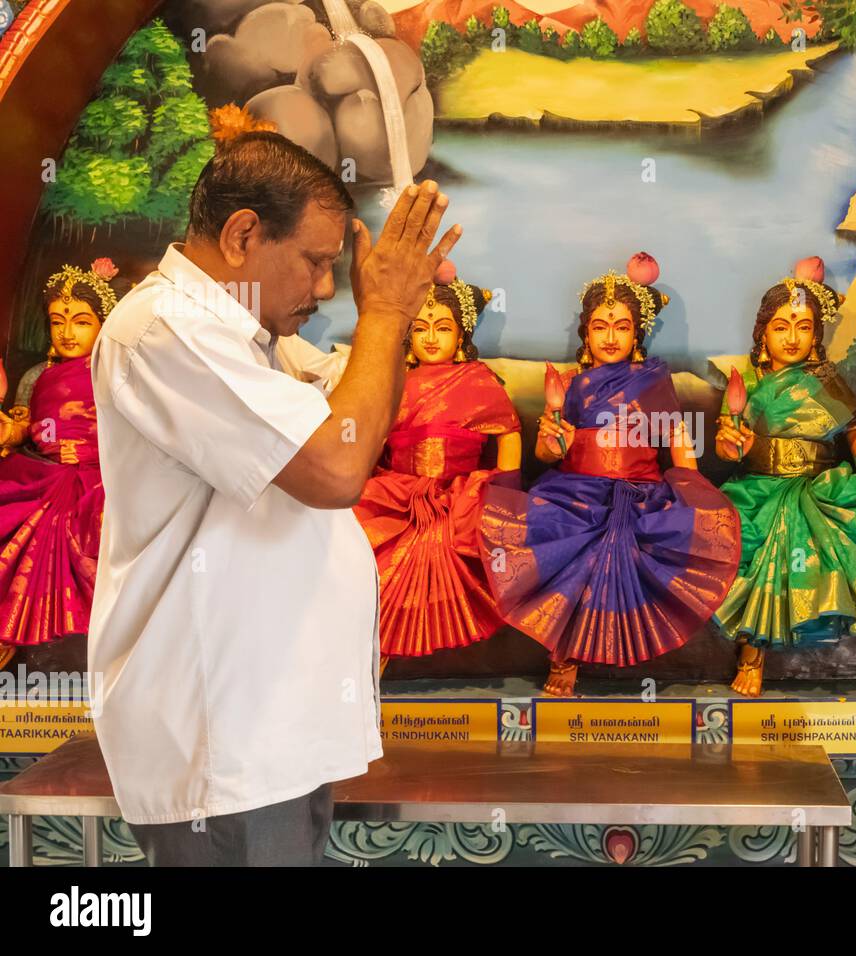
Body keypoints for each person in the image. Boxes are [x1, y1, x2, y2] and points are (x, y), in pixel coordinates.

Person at [88, 132, 462, 865]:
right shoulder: (165, 330)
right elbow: (338, 469)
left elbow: (364, 425)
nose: (327, 289)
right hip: (224, 743)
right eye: (317, 262)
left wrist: (396, 315)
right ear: (243, 234)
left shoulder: (253, 340)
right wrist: (382, 312)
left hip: (271, 732)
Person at [479, 253, 741, 697]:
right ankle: (564, 654)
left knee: (630, 543)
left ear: (637, 332)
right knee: (563, 535)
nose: (611, 336)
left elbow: (679, 445)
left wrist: (696, 491)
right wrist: (552, 439)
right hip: (577, 488)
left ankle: (596, 651)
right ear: (586, 331)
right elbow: (548, 452)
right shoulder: (573, 384)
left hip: (642, 492)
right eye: (600, 325)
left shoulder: (655, 381)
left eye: (622, 326)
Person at [712, 257, 856, 697]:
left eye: (802, 327)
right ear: (763, 334)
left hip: (816, 488)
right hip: (761, 487)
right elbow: (728, 444)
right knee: (756, 561)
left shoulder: (827, 381)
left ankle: (763, 655)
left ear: (816, 335)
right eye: (781, 327)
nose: (792, 337)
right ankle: (751, 655)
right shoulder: (748, 385)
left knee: (803, 557)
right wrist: (733, 445)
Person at [353, 262, 521, 665]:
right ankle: (374, 652)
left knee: (444, 543)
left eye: (442, 327)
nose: (430, 337)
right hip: (396, 493)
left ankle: (396, 646)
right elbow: (372, 440)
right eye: (421, 327)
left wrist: (506, 491)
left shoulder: (480, 382)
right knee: (362, 539)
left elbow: (509, 438)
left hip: (459, 496)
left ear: (461, 334)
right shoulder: (392, 380)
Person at [0, 259, 117, 669]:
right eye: (57, 322)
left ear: (104, 324)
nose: (67, 333)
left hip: (100, 484)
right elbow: (31, 429)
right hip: (43, 475)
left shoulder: (117, 373)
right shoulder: (37, 376)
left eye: (81, 321)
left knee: (80, 537)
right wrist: (13, 432)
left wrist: (93, 453)